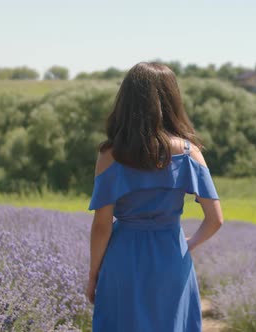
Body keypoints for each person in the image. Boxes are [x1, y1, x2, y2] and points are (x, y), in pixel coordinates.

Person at [85, 62, 224, 332]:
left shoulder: (110, 155)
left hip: (122, 259)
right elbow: (215, 219)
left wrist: (93, 274)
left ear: (126, 100)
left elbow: (102, 225)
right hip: (171, 257)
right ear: (171, 99)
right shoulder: (189, 152)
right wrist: (189, 244)